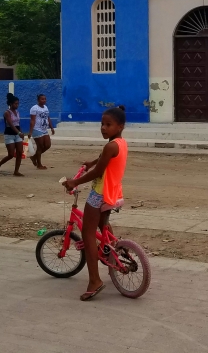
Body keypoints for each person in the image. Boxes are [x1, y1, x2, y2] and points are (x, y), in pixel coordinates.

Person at [63, 105, 128, 301]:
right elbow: (103, 161)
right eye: (102, 124)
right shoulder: (120, 143)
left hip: (99, 194)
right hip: (113, 193)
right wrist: (92, 162)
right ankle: (111, 256)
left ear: (120, 126)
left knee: (88, 234)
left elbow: (99, 172)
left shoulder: (109, 146)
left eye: (108, 125)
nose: (103, 128)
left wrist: (75, 181)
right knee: (103, 228)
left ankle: (94, 281)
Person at [0, 93, 25, 176]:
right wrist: (19, 132)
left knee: (19, 152)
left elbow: (18, 123)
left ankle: (16, 171)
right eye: (15, 103)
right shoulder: (7, 113)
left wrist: (21, 132)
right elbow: (11, 124)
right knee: (11, 154)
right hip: (9, 135)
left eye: (18, 103)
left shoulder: (17, 112)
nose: (17, 105)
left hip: (17, 134)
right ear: (11, 104)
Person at [27, 93, 55, 170]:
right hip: (37, 129)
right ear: (38, 100)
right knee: (40, 147)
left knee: (47, 145)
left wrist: (52, 127)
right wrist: (30, 132)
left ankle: (34, 157)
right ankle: (39, 164)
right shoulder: (34, 108)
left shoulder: (46, 107)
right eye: (42, 99)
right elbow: (32, 121)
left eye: (45, 99)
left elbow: (48, 118)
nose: (44, 100)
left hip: (44, 129)